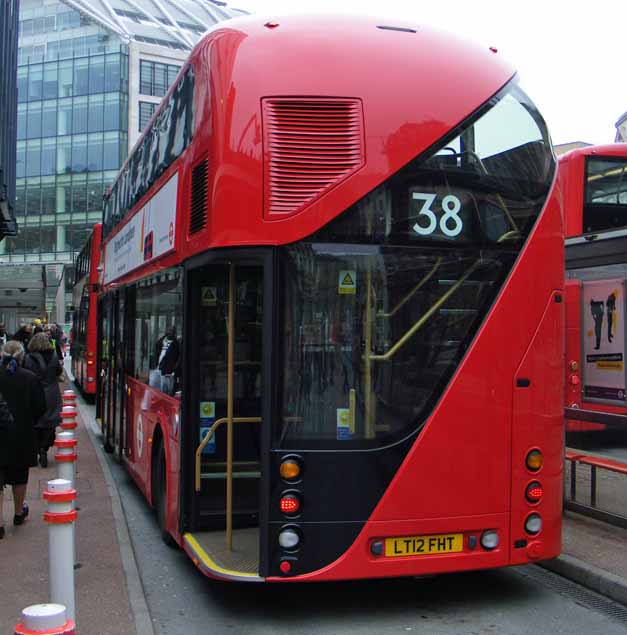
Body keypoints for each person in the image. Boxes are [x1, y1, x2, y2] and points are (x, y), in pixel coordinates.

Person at [0, 341, 46, 539]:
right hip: (22, 434)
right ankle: (18, 513)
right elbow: (40, 407)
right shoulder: (30, 378)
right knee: (20, 475)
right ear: (21, 357)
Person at [24, 333, 63, 468]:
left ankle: (36, 447)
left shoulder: (27, 358)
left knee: (35, 422)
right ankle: (44, 447)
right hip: (51, 393)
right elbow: (58, 371)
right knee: (50, 422)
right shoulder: (53, 356)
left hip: (34, 392)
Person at [153, 326, 180, 395]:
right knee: (154, 386)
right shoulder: (162, 340)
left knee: (164, 389)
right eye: (168, 330)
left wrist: (173, 368)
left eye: (171, 331)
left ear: (174, 333)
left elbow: (177, 357)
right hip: (158, 368)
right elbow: (156, 348)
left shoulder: (175, 343)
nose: (169, 332)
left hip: (166, 370)